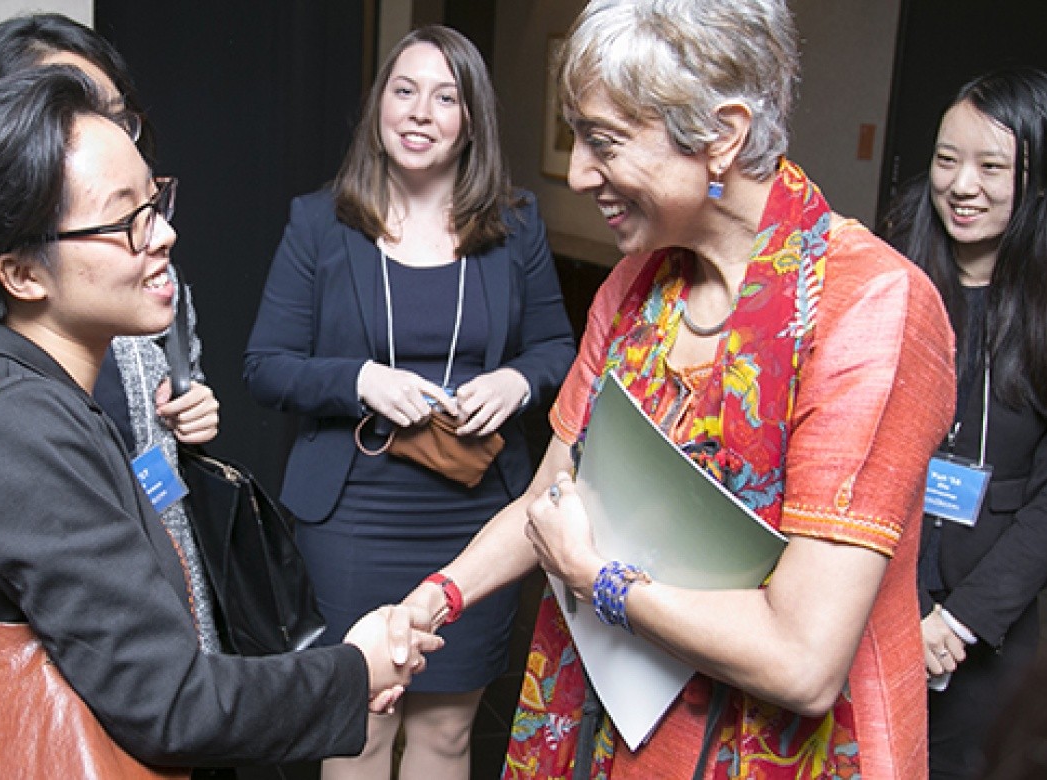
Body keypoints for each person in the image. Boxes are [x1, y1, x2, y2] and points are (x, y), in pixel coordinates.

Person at [401, 1, 959, 777]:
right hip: (618, 727)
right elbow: (548, 500)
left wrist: (596, 579)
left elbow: (802, 661)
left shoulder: (866, 306)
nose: (578, 171)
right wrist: (432, 600)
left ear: (722, 135)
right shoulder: (636, 286)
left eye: (604, 140)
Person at [0, 65, 441, 774]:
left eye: (155, 201)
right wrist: (358, 668)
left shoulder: (45, 396)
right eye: (124, 219)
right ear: (21, 275)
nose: (161, 234)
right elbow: (172, 705)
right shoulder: (24, 431)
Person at [243, 25, 575, 780]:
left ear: (471, 121)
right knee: (359, 727)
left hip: (475, 518)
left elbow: (562, 351)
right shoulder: (320, 223)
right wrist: (358, 379)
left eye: (445, 96)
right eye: (404, 90)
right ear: (379, 108)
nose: (420, 112)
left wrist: (517, 381)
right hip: (353, 515)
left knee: (449, 734)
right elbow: (265, 366)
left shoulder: (514, 224)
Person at [0, 13, 226, 651]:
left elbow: (161, 416)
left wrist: (189, 415)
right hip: (50, 648)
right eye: (63, 109)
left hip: (156, 590)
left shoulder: (141, 265)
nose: (98, 129)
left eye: (112, 110)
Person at [880, 69, 1047, 780]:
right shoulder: (892, 273)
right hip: (878, 598)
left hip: (990, 629)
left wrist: (956, 622)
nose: (962, 185)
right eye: (947, 160)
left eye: (991, 166)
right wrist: (907, 612)